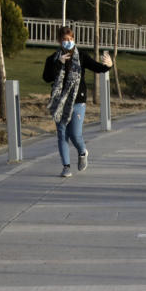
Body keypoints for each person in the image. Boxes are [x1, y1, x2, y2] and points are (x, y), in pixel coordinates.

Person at [42, 27, 112, 178]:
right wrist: (59, 63)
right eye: (65, 39)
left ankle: (82, 151)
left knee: (75, 134)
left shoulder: (82, 57)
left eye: (70, 39)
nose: (68, 42)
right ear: (59, 41)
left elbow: (98, 68)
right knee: (62, 134)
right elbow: (47, 77)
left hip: (78, 101)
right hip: (60, 102)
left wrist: (108, 66)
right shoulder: (53, 58)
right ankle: (66, 167)